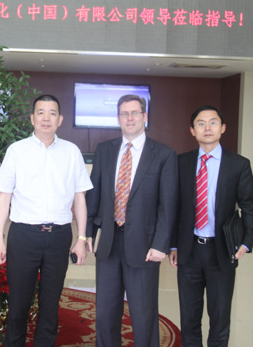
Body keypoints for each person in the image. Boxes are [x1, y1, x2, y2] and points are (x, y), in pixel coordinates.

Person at [0, 94, 93, 347]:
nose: (46, 118)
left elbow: (79, 198)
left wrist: (81, 238)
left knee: (50, 302)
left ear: (60, 119)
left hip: (59, 236)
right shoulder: (17, 150)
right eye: (41, 112)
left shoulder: (71, 151)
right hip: (23, 235)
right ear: (32, 118)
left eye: (52, 113)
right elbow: (4, 197)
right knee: (18, 302)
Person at [85, 94, 178, 347]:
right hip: (109, 242)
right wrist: (88, 232)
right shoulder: (105, 150)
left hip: (145, 246)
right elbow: (95, 194)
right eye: (124, 114)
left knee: (143, 315)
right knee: (105, 314)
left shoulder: (163, 154)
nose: (129, 118)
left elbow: (168, 205)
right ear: (118, 118)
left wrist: (160, 244)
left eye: (135, 113)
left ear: (144, 117)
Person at [169, 105, 253, 347]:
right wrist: (173, 245)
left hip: (222, 250)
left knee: (220, 317)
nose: (207, 128)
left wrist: (246, 241)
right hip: (189, 250)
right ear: (192, 130)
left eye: (213, 122)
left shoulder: (238, 164)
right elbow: (173, 207)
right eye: (201, 123)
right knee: (189, 316)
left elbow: (248, 205)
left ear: (223, 128)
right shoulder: (181, 162)